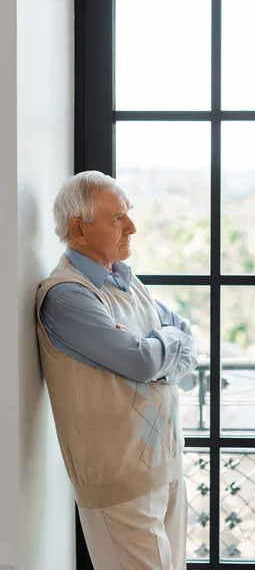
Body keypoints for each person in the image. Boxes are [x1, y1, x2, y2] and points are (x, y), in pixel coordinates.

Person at [36, 171, 198, 570]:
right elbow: (140, 361)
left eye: (128, 214)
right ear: (79, 230)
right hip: (120, 484)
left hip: (166, 466)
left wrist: (158, 344)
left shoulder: (125, 281)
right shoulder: (67, 296)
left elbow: (186, 338)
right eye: (117, 218)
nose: (132, 227)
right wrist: (161, 345)